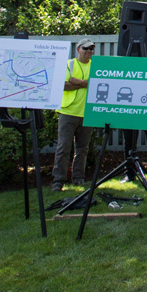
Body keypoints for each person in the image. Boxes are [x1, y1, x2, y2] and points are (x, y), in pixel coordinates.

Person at [51, 38, 96, 191]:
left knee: (82, 149)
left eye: (91, 49)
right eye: (86, 48)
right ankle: (58, 181)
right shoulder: (69, 64)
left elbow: (98, 84)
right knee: (63, 147)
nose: (89, 51)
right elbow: (63, 85)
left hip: (87, 112)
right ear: (78, 49)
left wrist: (77, 81)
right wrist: (86, 83)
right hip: (68, 112)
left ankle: (78, 179)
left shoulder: (95, 65)